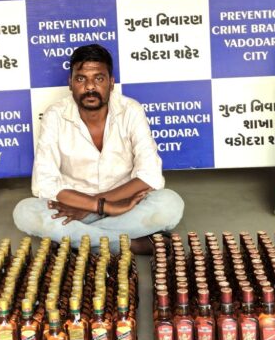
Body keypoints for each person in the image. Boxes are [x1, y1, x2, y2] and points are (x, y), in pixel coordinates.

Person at [12, 43, 184, 253]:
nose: (90, 87)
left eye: (99, 79)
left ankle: (76, 240)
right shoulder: (55, 115)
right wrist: (100, 207)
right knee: (25, 212)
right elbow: (44, 183)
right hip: (73, 203)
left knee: (170, 204)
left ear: (111, 83)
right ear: (70, 83)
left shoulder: (131, 110)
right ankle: (127, 244)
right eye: (81, 79)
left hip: (121, 203)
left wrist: (96, 205)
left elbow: (150, 176)